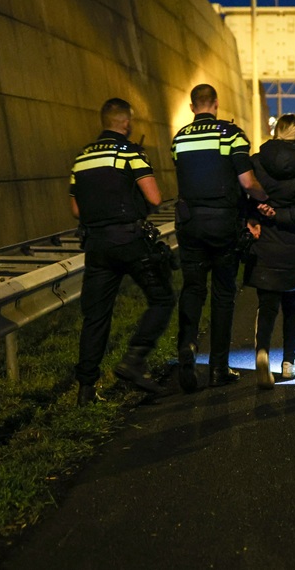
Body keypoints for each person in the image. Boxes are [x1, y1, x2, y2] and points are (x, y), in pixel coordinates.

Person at [71, 98, 176, 405]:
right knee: (162, 298)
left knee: (96, 316)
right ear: (126, 123)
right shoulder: (131, 152)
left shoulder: (81, 158)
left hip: (96, 245)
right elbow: (154, 197)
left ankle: (86, 389)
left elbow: (76, 209)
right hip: (130, 241)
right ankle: (134, 360)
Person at [171, 84, 271, 392]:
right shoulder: (231, 136)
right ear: (215, 104)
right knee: (224, 293)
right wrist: (265, 200)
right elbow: (247, 181)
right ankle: (218, 368)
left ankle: (187, 345)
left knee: (192, 288)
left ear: (192, 107)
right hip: (222, 222)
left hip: (188, 223)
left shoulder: (180, 138)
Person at [243, 114, 295, 388]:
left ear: (276, 133)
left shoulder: (257, 160)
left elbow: (246, 194)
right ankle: (289, 362)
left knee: (267, 305)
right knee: (293, 306)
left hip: (266, 241)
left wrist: (258, 213)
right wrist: (283, 214)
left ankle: (262, 352)